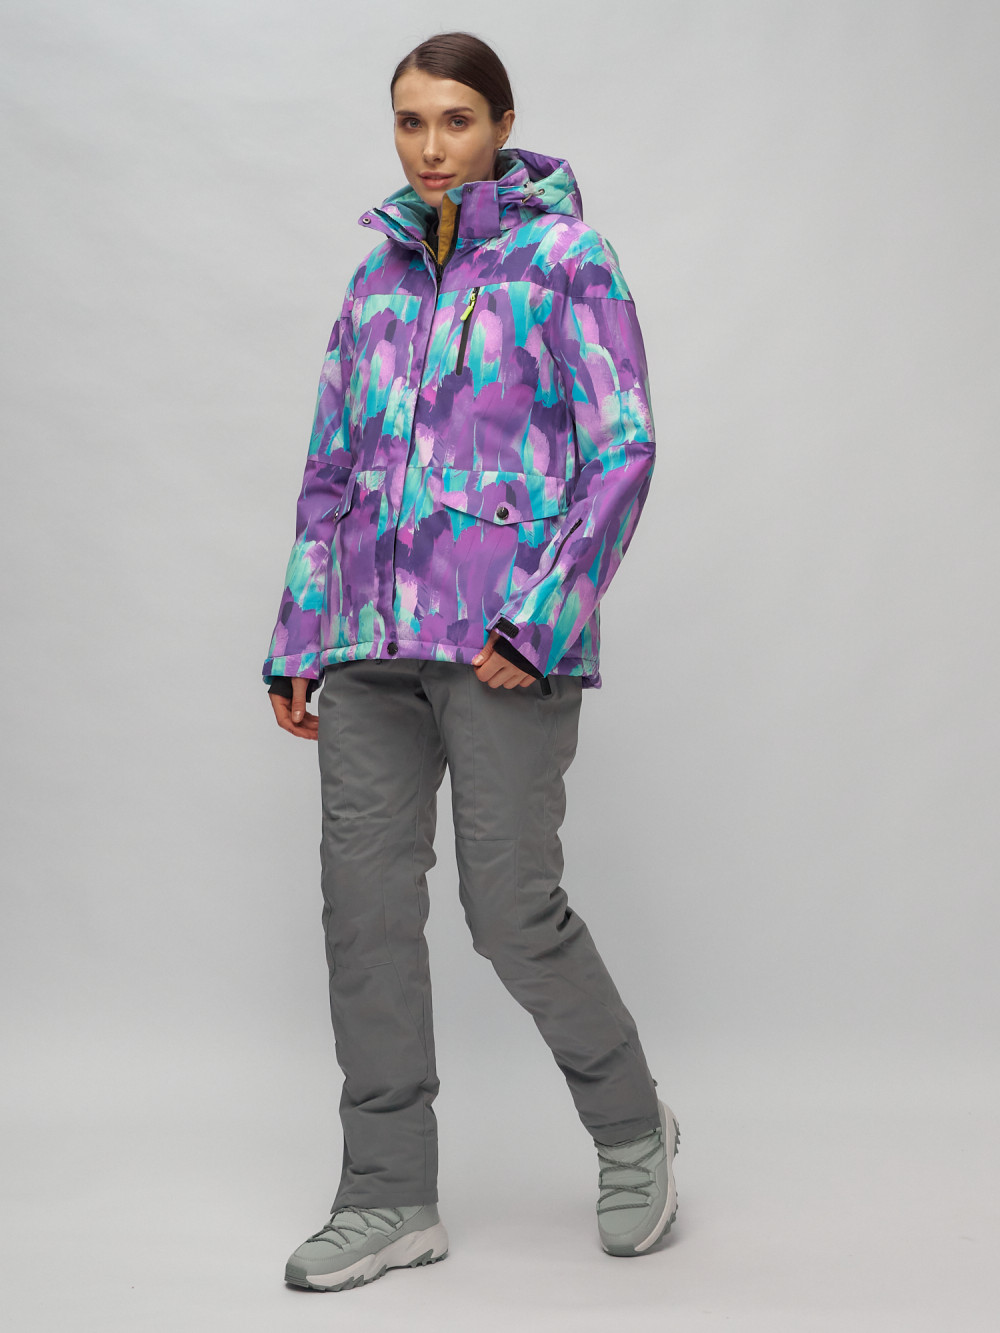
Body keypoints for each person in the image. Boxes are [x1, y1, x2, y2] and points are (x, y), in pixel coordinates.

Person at [263, 31, 679, 1292]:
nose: (431, 147)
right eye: (410, 122)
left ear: (500, 122)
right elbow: (330, 468)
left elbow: (621, 447)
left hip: (504, 647)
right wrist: (299, 632)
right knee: (364, 914)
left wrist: (537, 622)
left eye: (454, 120)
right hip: (366, 644)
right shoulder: (375, 279)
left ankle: (632, 1127)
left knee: (509, 908)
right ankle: (387, 1193)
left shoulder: (566, 261)